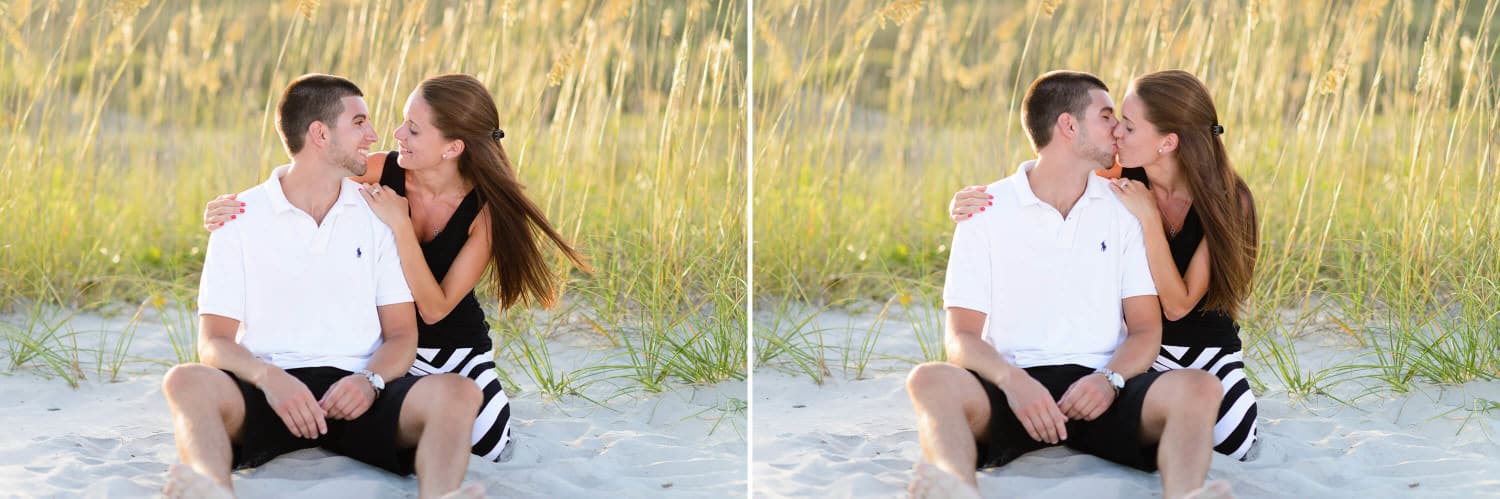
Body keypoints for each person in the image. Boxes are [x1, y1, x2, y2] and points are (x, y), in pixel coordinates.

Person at [201, 73, 589, 464]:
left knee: (486, 444)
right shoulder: (383, 169)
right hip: (393, 347)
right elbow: (312, 165)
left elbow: (435, 309)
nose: (397, 132)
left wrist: (401, 225)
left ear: (452, 147)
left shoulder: (485, 212)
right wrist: (236, 207)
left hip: (455, 345)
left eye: (414, 130)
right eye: (404, 120)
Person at [905, 70, 1231, 499]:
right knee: (928, 380)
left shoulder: (1125, 208)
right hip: (1015, 389)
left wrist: (1110, 379)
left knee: (1201, 386)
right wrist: (1013, 382)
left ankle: (1186, 495)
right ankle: (955, 488)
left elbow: (1146, 329)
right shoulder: (985, 210)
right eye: (1107, 116)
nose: (1118, 128)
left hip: (1103, 390)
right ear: (1068, 126)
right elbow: (961, 336)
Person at [162, 74, 483, 499]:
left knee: (458, 391)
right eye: (359, 123)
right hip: (269, 392)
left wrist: (369, 381)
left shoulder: (379, 215)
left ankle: (442, 496)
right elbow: (214, 342)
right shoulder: (238, 218)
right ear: (319, 133)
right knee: (185, 381)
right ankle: (210, 489)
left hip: (358, 395)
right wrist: (271, 379)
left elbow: (403, 335)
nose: (374, 134)